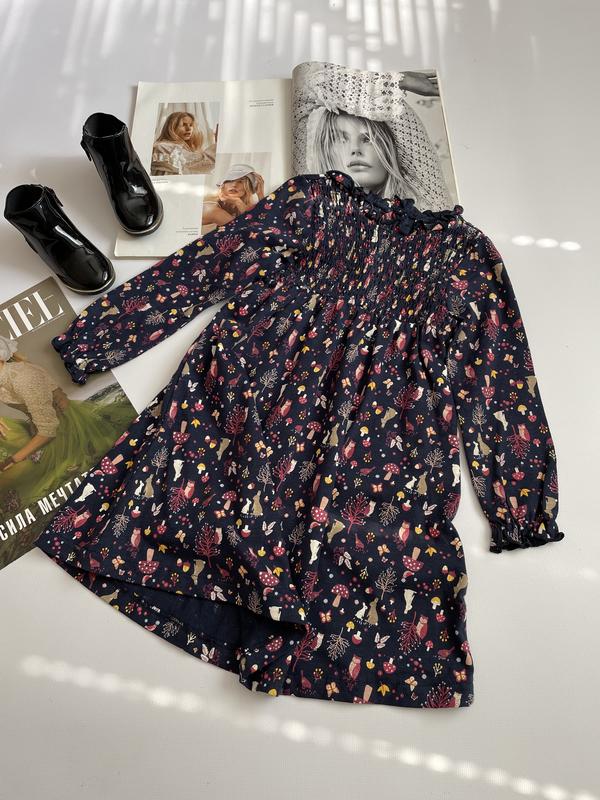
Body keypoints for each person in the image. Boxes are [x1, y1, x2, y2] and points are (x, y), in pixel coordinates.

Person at [0, 335, 135, 509]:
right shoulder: (5, 377)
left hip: (62, 431)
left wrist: (12, 460)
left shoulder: (22, 378)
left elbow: (48, 430)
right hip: (38, 425)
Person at [312, 109, 427, 207]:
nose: (355, 149)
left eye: (369, 139)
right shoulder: (307, 213)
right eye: (340, 139)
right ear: (324, 150)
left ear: (392, 150)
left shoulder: (417, 219)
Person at [201, 164, 265, 231]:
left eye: (240, 182)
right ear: (223, 185)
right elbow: (248, 231)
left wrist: (260, 195)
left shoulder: (244, 208)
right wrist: (238, 202)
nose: (234, 185)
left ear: (247, 188)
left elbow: (265, 224)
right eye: (230, 180)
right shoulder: (212, 209)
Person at [151, 111, 217, 176]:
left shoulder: (189, 150)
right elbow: (197, 163)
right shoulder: (161, 147)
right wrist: (218, 145)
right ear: (172, 127)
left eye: (191, 125)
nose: (188, 129)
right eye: (184, 125)